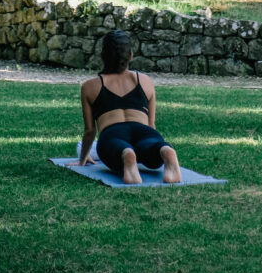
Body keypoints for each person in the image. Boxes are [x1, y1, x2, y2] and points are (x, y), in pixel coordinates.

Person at [75, 30, 182, 184]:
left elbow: (90, 132)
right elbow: (151, 124)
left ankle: (126, 154)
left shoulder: (90, 86)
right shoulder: (146, 81)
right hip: (143, 131)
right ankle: (164, 150)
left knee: (115, 146)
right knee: (150, 144)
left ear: (104, 56)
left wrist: (83, 158)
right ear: (130, 55)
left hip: (112, 132)